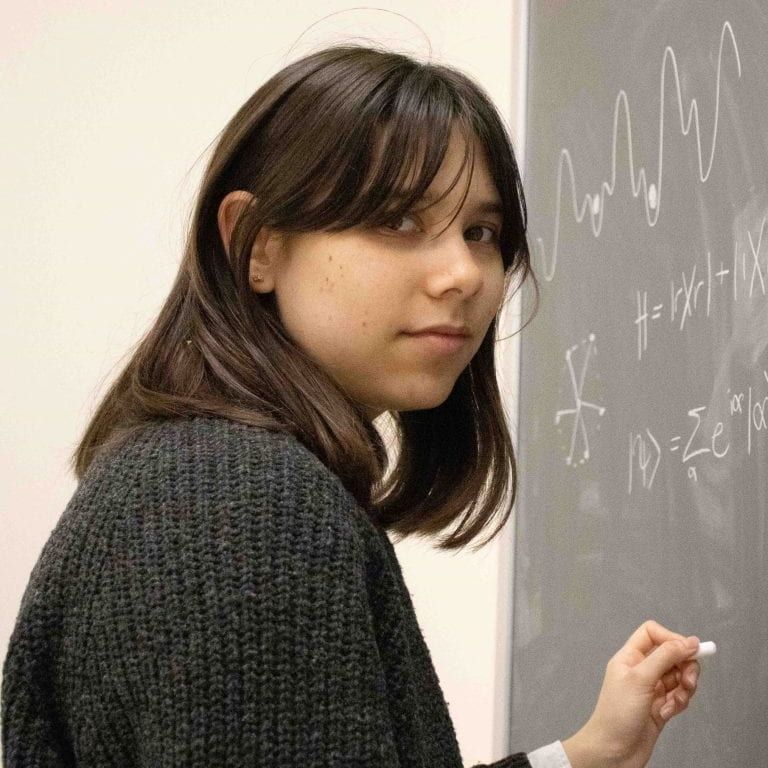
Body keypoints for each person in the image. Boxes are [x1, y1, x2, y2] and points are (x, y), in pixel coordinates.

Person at [1, 44, 701, 768]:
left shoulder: (204, 475)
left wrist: (586, 756)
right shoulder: (240, 502)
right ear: (256, 244)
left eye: (481, 233)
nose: (463, 273)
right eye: (398, 221)